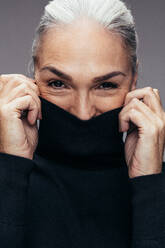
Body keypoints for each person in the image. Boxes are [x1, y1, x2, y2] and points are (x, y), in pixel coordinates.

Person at [0, 0, 165, 247]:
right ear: (33, 77)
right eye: (58, 83)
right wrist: (10, 171)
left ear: (133, 81)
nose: (83, 112)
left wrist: (150, 187)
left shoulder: (156, 189)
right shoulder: (6, 180)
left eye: (106, 85)